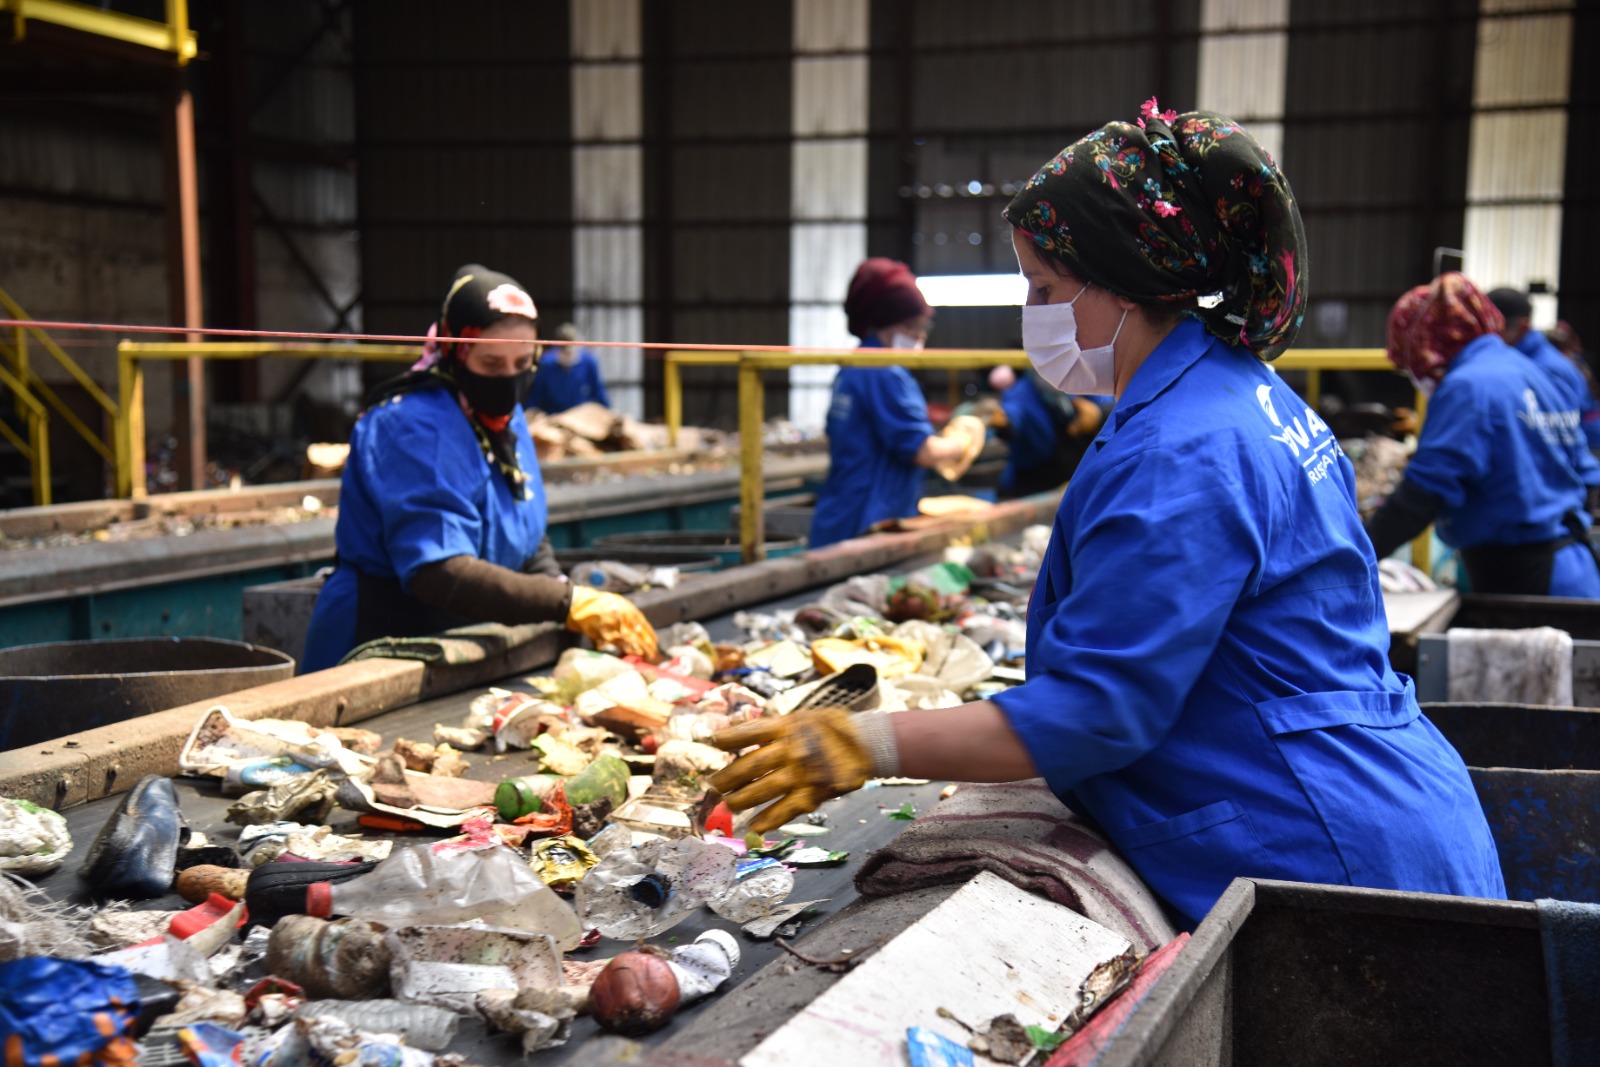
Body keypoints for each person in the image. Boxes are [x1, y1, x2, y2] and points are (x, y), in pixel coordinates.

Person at [710, 101, 1504, 926]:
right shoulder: (1241, 393)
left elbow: (1100, 709)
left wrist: (865, 743)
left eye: (1045, 288)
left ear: (1125, 282)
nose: (1035, 312)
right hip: (1365, 800)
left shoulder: (1184, 447)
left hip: (1325, 851)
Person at [300, 265, 657, 674]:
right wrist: (565, 602)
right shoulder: (414, 426)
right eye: (490, 364)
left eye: (522, 363)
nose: (508, 381)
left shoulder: (504, 417)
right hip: (380, 644)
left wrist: (556, 587)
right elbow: (438, 572)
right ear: (456, 351)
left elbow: (524, 526)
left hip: (460, 635)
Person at [1366, 275, 1600, 598]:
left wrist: (1356, 557)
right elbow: (1586, 470)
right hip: (1575, 569)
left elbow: (1422, 494)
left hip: (1526, 579)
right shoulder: (1530, 370)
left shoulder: (1468, 387)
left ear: (1425, 341)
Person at [807, 258, 985, 548]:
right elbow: (923, 452)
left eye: (923, 327)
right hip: (870, 523)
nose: (920, 337)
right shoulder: (884, 372)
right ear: (885, 325)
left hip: (838, 516)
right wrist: (966, 437)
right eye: (911, 327)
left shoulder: (852, 367)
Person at [1487, 288, 1600, 451]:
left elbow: (1557, 435)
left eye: (1495, 329)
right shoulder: (1521, 359)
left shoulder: (1548, 369)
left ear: (1523, 327)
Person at [986, 364, 1108, 498]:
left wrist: (1099, 415)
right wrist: (1001, 422)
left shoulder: (1084, 385)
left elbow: (1114, 409)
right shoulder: (1021, 393)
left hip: (1078, 485)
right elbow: (1010, 415)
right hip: (1032, 489)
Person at [526, 323, 612, 414]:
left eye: (572, 352)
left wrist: (609, 412)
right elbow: (536, 395)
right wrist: (530, 413)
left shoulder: (589, 362)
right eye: (565, 352)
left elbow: (599, 391)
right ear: (557, 349)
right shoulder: (546, 364)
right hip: (554, 416)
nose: (569, 356)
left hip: (582, 415)